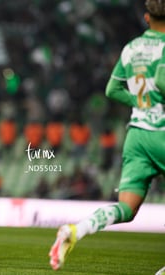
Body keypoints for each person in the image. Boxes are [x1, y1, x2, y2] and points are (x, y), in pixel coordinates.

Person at [49, 0, 165, 270]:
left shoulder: (131, 48)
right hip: (162, 132)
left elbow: (112, 89)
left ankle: (76, 230)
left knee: (126, 208)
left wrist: (140, 100)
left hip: (137, 136)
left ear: (146, 17)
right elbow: (161, 81)